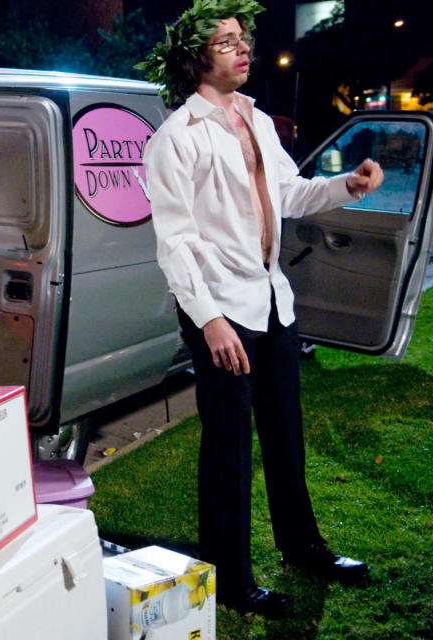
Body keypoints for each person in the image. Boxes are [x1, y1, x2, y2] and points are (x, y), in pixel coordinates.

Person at [140, 0, 383, 617]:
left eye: (242, 37)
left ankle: (302, 547)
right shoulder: (175, 139)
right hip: (222, 313)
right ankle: (232, 575)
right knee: (228, 446)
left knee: (285, 435)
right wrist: (210, 320)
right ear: (197, 58)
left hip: (273, 302)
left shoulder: (257, 120)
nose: (243, 47)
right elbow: (174, 242)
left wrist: (344, 187)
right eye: (226, 42)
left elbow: (291, 192)